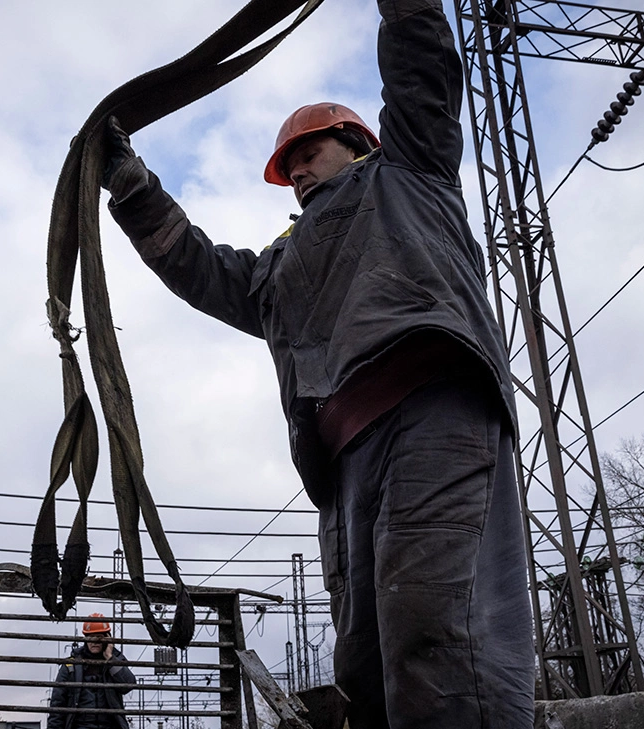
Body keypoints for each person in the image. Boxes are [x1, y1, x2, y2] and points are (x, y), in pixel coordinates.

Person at [100, 0, 534, 726]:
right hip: (344, 468)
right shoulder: (276, 270)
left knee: (436, 631)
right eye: (288, 166)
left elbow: (419, 64)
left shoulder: (411, 174)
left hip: (430, 413)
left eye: (310, 153)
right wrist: (128, 180)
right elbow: (197, 266)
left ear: (358, 143)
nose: (298, 171)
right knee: (364, 661)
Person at [47, 613, 136, 729]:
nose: (94, 642)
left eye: (98, 637)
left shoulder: (115, 659)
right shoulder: (70, 666)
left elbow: (128, 685)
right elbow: (57, 705)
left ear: (107, 638)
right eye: (90, 637)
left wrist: (110, 658)